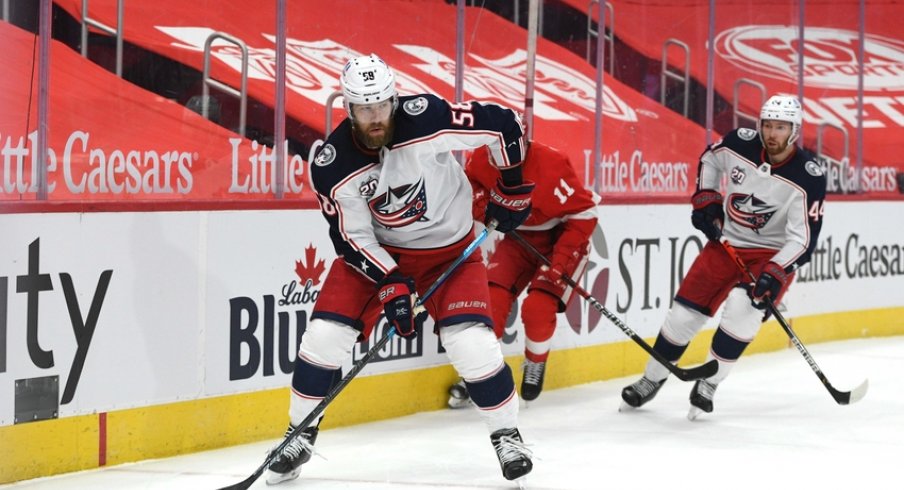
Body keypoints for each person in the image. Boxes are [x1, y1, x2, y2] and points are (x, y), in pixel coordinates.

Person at [266, 53, 536, 485]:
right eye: (363, 109)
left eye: (381, 106)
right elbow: (351, 237)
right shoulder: (332, 165)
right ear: (348, 108)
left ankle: (508, 435)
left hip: (451, 250)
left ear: (394, 99)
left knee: (472, 345)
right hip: (380, 259)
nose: (375, 118)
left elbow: (502, 124)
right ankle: (299, 433)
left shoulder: (426, 118)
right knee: (324, 339)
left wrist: (513, 185)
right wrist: (390, 282)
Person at [619, 94, 826, 420]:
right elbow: (710, 161)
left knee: (742, 313)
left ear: (794, 131)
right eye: (768, 125)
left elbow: (803, 239)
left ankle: (709, 384)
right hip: (725, 244)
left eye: (781, 127)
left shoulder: (808, 177)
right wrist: (707, 199)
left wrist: (775, 271)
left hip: (769, 255)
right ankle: (652, 379)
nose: (772, 133)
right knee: (682, 318)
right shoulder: (738, 143)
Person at [447, 141, 599, 407]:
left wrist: (561, 260)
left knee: (538, 307)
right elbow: (471, 185)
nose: (499, 160)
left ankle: (535, 362)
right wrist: (480, 203)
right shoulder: (482, 158)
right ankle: (481, 374)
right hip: (518, 238)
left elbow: (585, 213)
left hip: (561, 237)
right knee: (491, 301)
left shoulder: (552, 163)